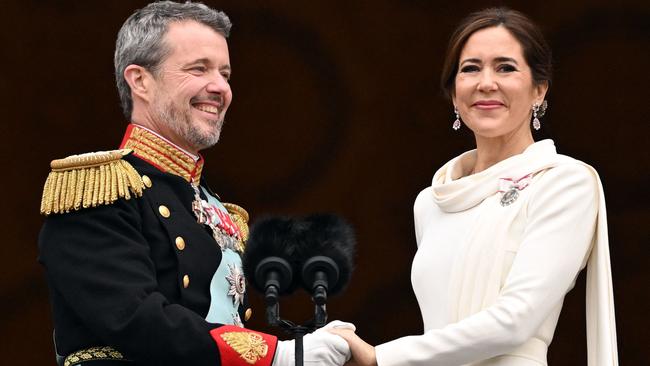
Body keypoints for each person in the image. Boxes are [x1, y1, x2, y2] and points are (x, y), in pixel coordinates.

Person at [38, 2, 352, 366]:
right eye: (198, 69)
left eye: (225, 73)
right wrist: (275, 355)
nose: (219, 88)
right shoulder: (100, 191)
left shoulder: (216, 208)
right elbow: (134, 319)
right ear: (140, 80)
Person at [329, 7, 618, 366]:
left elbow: (516, 321)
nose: (486, 83)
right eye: (470, 68)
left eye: (506, 67)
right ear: (453, 93)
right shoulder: (432, 201)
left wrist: (380, 357)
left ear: (539, 90)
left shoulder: (564, 183)